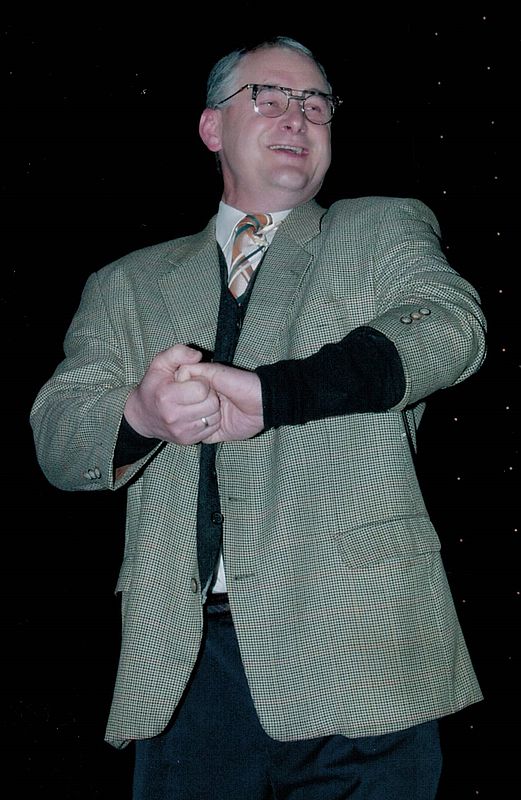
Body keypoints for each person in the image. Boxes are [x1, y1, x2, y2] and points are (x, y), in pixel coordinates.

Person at [30, 36, 487, 799]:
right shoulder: (125, 283)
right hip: (184, 673)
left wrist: (279, 392)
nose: (296, 117)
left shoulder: (380, 228)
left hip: (363, 648)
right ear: (212, 127)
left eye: (316, 103)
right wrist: (139, 413)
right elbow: (57, 434)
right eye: (267, 98)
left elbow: (449, 328)